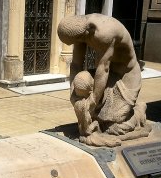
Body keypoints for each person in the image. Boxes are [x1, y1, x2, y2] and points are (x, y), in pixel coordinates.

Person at [58, 14, 150, 147]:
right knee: (82, 84)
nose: (75, 44)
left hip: (125, 75)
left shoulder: (104, 32)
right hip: (105, 75)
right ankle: (98, 122)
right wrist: (74, 92)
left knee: (115, 127)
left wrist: (93, 101)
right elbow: (76, 65)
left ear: (85, 33)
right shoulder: (81, 31)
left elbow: (103, 68)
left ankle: (139, 112)